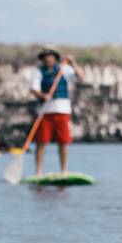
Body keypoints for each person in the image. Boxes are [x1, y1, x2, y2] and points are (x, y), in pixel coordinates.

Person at [26, 47, 80, 175]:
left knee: (63, 142)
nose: (47, 58)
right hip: (44, 112)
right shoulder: (38, 72)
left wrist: (73, 63)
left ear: (55, 57)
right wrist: (43, 96)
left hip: (62, 111)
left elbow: (81, 77)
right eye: (45, 56)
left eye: (50, 56)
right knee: (41, 142)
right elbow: (34, 89)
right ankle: (38, 172)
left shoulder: (64, 70)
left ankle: (63, 171)